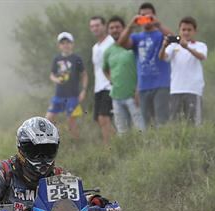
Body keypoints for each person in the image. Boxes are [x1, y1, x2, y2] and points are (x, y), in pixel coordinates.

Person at [118, 2, 173, 127]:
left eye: (148, 15)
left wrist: (158, 24)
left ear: (154, 16)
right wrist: (131, 25)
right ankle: (151, 146)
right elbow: (121, 43)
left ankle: (165, 146)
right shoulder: (137, 37)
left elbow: (175, 38)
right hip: (143, 86)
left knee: (162, 122)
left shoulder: (160, 35)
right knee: (147, 124)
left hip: (161, 84)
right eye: (142, 16)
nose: (146, 18)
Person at [159, 16, 207, 125]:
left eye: (189, 30)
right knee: (175, 123)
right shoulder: (174, 46)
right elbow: (162, 57)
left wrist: (187, 47)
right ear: (179, 31)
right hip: (176, 89)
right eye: (183, 30)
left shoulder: (200, 45)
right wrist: (164, 46)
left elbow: (202, 57)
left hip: (193, 90)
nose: (186, 33)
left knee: (194, 123)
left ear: (195, 31)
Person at [103, 16, 145, 134]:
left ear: (123, 28)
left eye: (117, 27)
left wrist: (138, 89)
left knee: (141, 130)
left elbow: (142, 67)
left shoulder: (132, 46)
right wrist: (110, 79)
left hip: (133, 96)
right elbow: (105, 69)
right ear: (108, 31)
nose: (115, 30)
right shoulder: (108, 51)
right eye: (111, 28)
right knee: (122, 132)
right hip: (116, 97)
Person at [46, 32, 89, 140]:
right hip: (58, 95)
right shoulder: (57, 59)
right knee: (48, 119)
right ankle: (54, 141)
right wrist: (56, 79)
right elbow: (51, 74)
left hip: (72, 96)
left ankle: (76, 144)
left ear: (72, 44)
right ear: (59, 45)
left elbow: (84, 75)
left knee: (71, 122)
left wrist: (83, 90)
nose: (65, 45)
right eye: (63, 43)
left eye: (68, 42)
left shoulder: (76, 58)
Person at [89, 16, 115, 144]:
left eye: (97, 25)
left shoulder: (111, 42)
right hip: (98, 86)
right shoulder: (95, 47)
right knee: (99, 119)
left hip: (109, 86)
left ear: (104, 26)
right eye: (92, 26)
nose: (95, 28)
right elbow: (96, 68)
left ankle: (109, 147)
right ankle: (115, 143)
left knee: (104, 117)